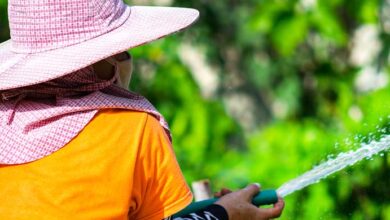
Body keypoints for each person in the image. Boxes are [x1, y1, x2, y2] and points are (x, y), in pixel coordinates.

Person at [0, 0, 284, 219]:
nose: (127, 59)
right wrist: (225, 214)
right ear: (94, 62)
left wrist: (217, 210)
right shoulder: (133, 128)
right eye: (120, 51)